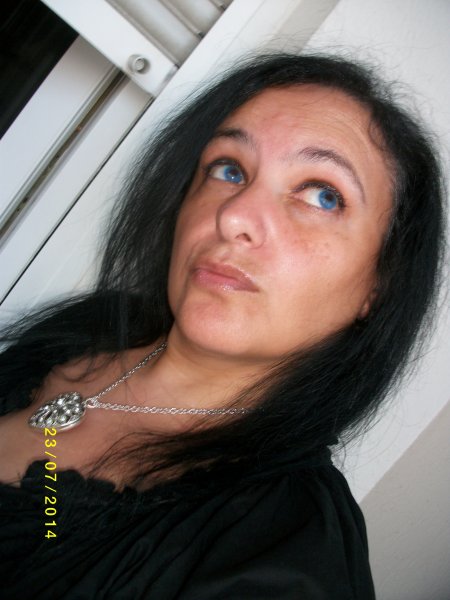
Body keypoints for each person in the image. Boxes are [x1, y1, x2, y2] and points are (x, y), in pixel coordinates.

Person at [0, 52, 445, 599]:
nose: (233, 215)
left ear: (379, 284)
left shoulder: (284, 553)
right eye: (229, 169)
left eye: (323, 195)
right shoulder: (88, 329)